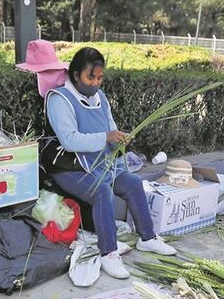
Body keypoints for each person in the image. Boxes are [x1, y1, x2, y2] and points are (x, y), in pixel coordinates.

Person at [43, 47, 177, 280]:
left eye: (100, 77)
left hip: (98, 163)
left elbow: (110, 129)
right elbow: (69, 139)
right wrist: (106, 137)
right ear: (75, 75)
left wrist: (118, 141)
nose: (96, 83)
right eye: (90, 77)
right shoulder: (59, 99)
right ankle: (108, 253)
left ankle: (148, 238)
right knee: (102, 191)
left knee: (133, 182)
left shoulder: (100, 98)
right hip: (68, 166)